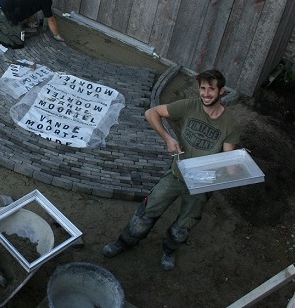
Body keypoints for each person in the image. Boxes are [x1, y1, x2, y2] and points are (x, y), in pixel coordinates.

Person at [102, 69, 241, 271]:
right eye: (202, 88)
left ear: (222, 91)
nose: (206, 94)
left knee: (183, 227)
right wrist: (168, 138)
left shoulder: (230, 124)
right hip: (176, 174)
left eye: (211, 89)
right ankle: (125, 242)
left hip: (201, 185)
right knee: (145, 213)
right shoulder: (189, 106)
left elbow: (228, 161)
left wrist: (235, 168)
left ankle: (169, 249)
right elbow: (152, 113)